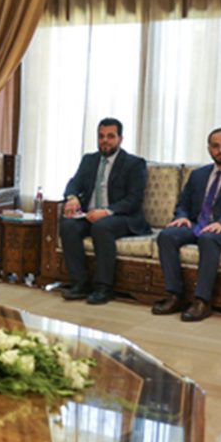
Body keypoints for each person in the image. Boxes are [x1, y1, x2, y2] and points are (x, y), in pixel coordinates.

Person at [152, 128, 221, 322]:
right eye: (215, 146)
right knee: (167, 236)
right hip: (197, 224)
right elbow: (183, 204)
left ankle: (202, 301)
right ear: (209, 149)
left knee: (208, 239)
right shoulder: (198, 175)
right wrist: (182, 216)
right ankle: (175, 295)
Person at [59, 118, 149, 305]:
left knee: (101, 227)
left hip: (122, 217)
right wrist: (72, 197)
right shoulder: (89, 160)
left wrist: (107, 211)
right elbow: (73, 183)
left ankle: (103, 287)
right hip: (90, 214)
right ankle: (80, 283)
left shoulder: (134, 163)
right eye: (101, 136)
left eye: (110, 136)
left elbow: (133, 200)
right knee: (68, 226)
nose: (105, 141)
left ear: (120, 139)